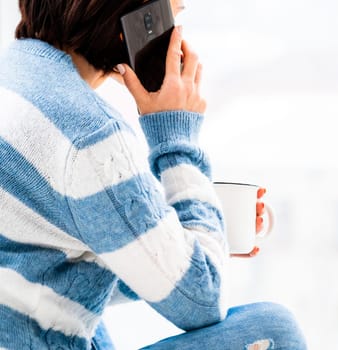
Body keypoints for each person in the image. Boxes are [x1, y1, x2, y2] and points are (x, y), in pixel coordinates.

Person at [0, 0, 307, 349]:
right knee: (275, 328)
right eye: (174, 12)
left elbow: (60, 269)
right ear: (136, 20)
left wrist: (179, 237)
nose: (178, 30)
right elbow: (202, 300)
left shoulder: (14, 77)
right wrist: (174, 137)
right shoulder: (89, 135)